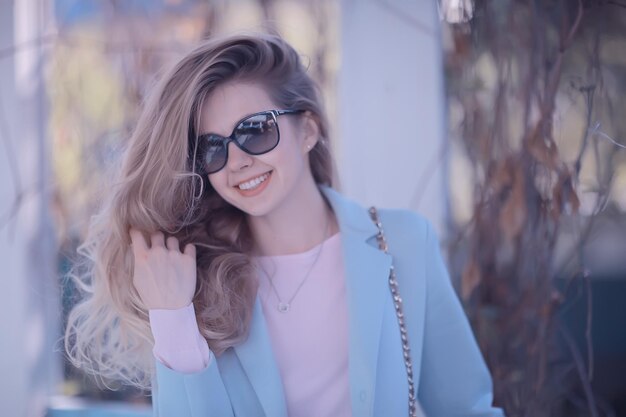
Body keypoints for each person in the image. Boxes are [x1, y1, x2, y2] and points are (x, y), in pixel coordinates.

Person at [64, 32, 505, 417]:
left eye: (255, 130)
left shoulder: (404, 243)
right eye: (214, 148)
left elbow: (466, 409)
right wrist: (171, 315)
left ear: (308, 130)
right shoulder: (198, 276)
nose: (236, 161)